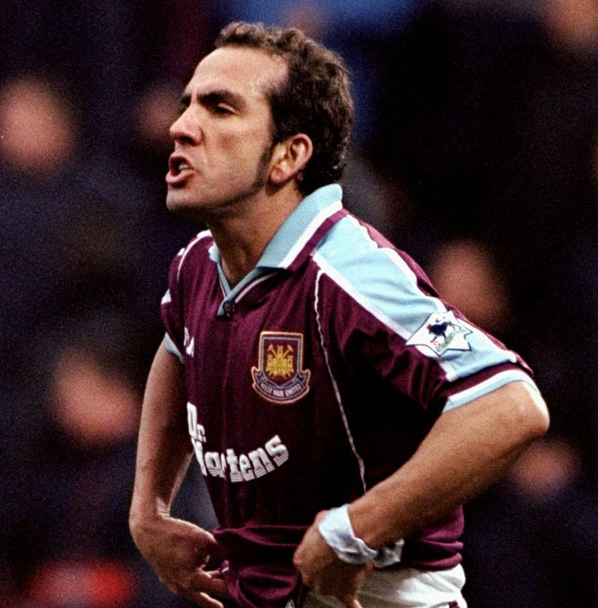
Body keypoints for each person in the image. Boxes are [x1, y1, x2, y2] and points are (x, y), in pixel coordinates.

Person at [128, 22, 549, 608]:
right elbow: (178, 346)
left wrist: (360, 527)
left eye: (220, 109)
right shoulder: (198, 262)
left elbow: (511, 405)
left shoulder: (346, 271)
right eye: (187, 103)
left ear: (288, 156)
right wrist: (148, 507)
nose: (182, 126)